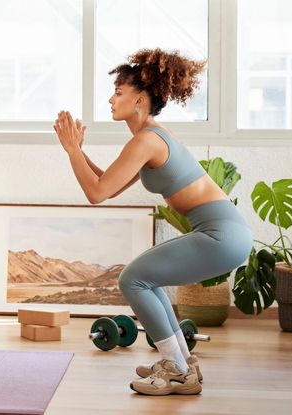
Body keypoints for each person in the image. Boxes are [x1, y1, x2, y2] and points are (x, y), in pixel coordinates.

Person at [53, 47, 253, 396]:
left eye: (118, 93)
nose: (110, 100)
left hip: (221, 234)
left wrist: (72, 151)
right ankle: (181, 362)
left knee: (133, 278)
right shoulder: (149, 137)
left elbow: (96, 193)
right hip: (225, 232)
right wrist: (78, 151)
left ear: (140, 98)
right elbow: (109, 186)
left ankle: (175, 368)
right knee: (147, 280)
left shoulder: (147, 140)